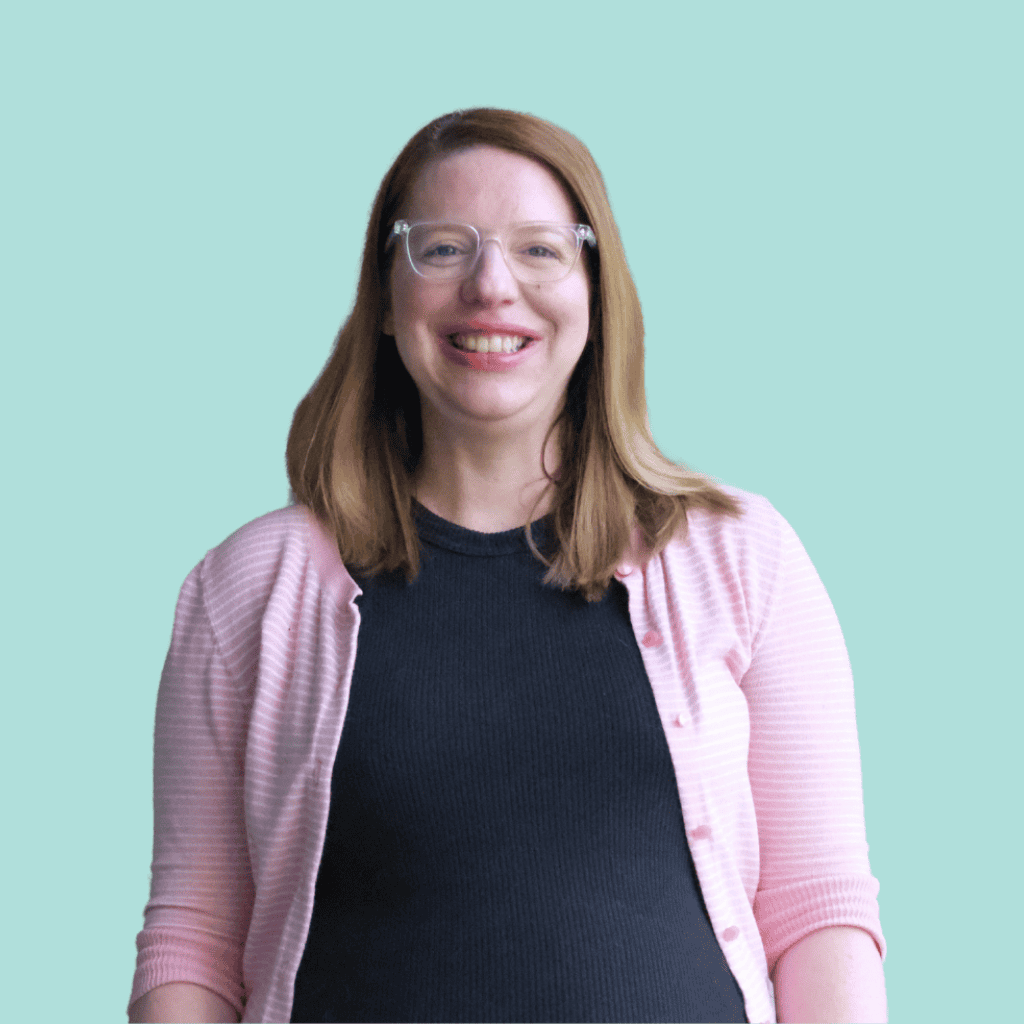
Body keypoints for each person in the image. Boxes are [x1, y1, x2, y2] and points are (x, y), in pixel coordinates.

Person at [127, 108, 887, 1024]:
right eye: (443, 248)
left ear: (598, 296)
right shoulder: (245, 591)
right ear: (384, 294)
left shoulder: (742, 557)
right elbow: (195, 944)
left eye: (540, 250)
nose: (492, 287)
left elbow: (818, 914)